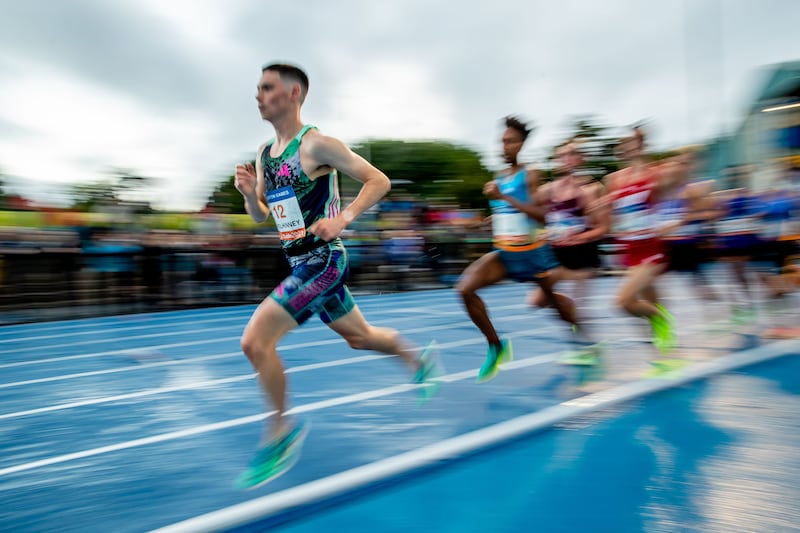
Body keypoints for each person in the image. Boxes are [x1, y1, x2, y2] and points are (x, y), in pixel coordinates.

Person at [233, 63, 440, 489]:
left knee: (255, 342)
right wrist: (246, 196)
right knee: (359, 338)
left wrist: (343, 218)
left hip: (324, 259)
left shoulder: (318, 145)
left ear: (294, 94)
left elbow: (377, 181)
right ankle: (418, 359)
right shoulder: (263, 155)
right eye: (257, 88)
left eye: (267, 88)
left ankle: (280, 432)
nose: (258, 95)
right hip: (299, 262)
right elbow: (262, 215)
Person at [456, 116, 583, 382]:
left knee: (554, 306)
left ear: (522, 144)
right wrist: (494, 216)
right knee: (465, 289)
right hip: (505, 253)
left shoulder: (531, 174)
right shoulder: (500, 177)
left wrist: (503, 198)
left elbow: (541, 216)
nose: (505, 146)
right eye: (502, 141)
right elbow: (511, 211)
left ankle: (581, 331)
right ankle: (496, 346)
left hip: (532, 254)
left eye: (511, 141)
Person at [527, 139, 610, 364]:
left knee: (579, 303)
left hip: (583, 253)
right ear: (556, 160)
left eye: (573, 154)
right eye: (562, 154)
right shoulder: (549, 190)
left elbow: (603, 228)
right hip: (557, 254)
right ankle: (586, 338)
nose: (567, 158)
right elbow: (527, 205)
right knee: (535, 300)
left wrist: (579, 235)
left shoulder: (590, 189)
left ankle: (585, 347)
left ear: (581, 158)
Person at [603, 128, 679, 369]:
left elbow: (674, 189)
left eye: (633, 142)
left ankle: (663, 320)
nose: (628, 147)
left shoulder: (654, 174)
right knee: (650, 300)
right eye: (624, 144)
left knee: (623, 302)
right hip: (629, 250)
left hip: (650, 250)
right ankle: (663, 354)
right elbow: (614, 215)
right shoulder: (613, 180)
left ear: (642, 144)